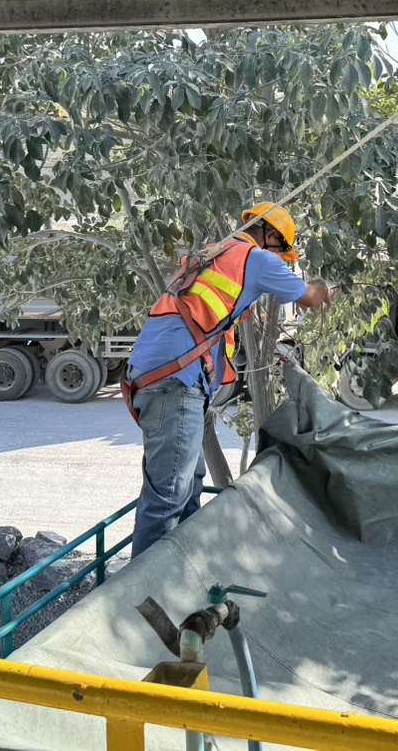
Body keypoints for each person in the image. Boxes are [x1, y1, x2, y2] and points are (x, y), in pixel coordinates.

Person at [123, 202, 331, 555]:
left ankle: (182, 579)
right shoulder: (256, 258)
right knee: (169, 497)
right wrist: (321, 286)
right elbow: (308, 298)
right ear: (269, 236)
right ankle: (138, 601)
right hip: (175, 380)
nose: (280, 260)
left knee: (189, 487)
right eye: (281, 251)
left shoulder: (214, 254)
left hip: (160, 376)